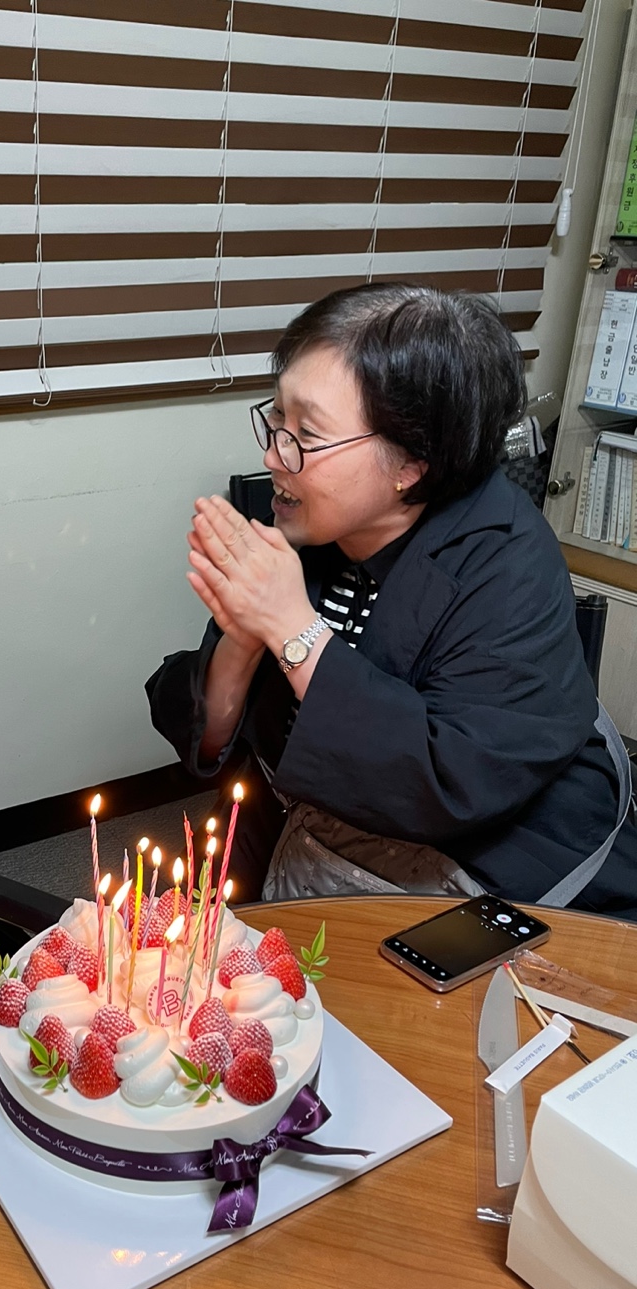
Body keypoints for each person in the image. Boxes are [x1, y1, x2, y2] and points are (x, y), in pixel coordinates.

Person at [147, 284, 637, 919]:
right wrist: (243, 635)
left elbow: (446, 782)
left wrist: (292, 628)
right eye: (278, 418)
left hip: (485, 866)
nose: (272, 455)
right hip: (305, 830)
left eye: (307, 433)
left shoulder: (508, 563)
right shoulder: (302, 524)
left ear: (410, 463)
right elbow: (217, 738)